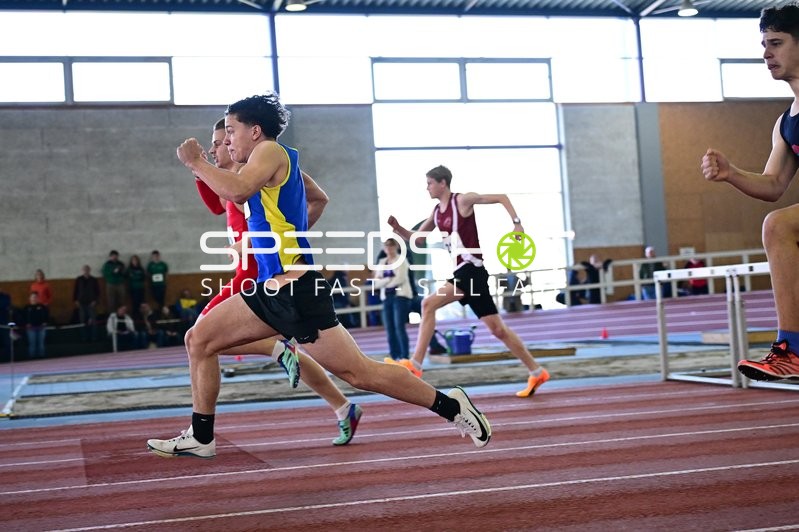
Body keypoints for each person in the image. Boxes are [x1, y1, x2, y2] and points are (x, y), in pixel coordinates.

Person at [148, 93, 490, 459]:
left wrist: (196, 161)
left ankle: (451, 405)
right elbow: (317, 198)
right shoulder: (272, 162)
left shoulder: (269, 151)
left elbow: (237, 191)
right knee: (199, 339)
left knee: (361, 374)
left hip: (295, 291)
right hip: (272, 287)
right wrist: (287, 237)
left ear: (255, 131)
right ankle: (202, 436)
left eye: (231, 131)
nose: (227, 141)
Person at [192, 116, 363, 446]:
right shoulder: (232, 182)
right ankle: (343, 407)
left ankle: (202, 433)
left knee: (200, 336)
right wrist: (199, 171)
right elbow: (216, 205)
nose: (216, 149)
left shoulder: (250, 178)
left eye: (222, 141)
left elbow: (317, 198)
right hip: (256, 273)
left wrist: (283, 239)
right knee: (297, 348)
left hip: (258, 274)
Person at [387, 164, 549, 398]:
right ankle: (537, 371)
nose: (427, 188)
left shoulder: (463, 200)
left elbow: (502, 197)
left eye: (430, 183)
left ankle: (416, 364)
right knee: (498, 330)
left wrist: (516, 223)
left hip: (470, 271)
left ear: (443, 183)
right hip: (469, 274)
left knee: (428, 304)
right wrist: (398, 228)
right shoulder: (436, 212)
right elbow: (418, 240)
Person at [700, 4, 799, 382]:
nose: (766, 54)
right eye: (763, 45)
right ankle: (791, 350)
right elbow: (773, 185)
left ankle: (793, 349)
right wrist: (732, 173)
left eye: (776, 43)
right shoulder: (786, 123)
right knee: (778, 224)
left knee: (779, 225)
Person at [372, 238, 414, 361]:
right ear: (384, 249)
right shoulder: (382, 262)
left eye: (391, 246)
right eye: (387, 246)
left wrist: (385, 282)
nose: (389, 249)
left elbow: (400, 278)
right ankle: (394, 355)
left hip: (400, 297)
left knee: (399, 327)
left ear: (396, 247)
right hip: (386, 298)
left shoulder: (402, 260)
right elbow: (376, 283)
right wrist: (388, 279)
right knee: (389, 328)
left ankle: (404, 356)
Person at [73, 264, 100, 342]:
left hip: (91, 303)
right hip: (81, 303)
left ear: (89, 270)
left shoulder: (94, 279)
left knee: (94, 321)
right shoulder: (79, 279)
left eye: (87, 269)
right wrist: (75, 300)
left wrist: (95, 301)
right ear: (82, 270)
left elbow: (97, 291)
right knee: (82, 321)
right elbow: (75, 290)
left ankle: (94, 337)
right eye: (84, 269)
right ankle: (84, 338)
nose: (86, 271)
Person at [23, 292, 48, 358]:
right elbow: (23, 317)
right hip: (31, 329)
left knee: (41, 344)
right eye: (32, 297)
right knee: (32, 344)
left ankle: (41, 357)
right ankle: (32, 358)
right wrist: (26, 323)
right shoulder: (26, 307)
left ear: (38, 298)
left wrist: (45, 322)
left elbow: (46, 316)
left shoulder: (42, 307)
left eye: (35, 297)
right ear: (30, 298)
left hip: (41, 328)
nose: (34, 298)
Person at [102, 250, 126, 314]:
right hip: (111, 284)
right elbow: (104, 273)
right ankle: (112, 315)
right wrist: (112, 272)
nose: (115, 257)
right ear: (110, 256)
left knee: (122, 299)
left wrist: (121, 272)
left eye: (116, 256)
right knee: (111, 301)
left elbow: (124, 273)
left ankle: (121, 314)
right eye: (113, 256)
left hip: (120, 284)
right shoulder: (107, 264)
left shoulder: (121, 264)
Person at [127, 254, 147, 319]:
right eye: (133, 260)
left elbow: (143, 277)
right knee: (135, 303)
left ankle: (142, 317)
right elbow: (128, 277)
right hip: (133, 288)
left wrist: (135, 277)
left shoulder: (141, 268)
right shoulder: (129, 269)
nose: (135, 261)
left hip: (141, 288)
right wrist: (136, 277)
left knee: (141, 303)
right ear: (131, 261)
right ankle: (135, 318)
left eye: (136, 260)